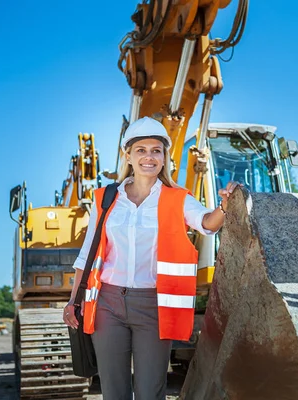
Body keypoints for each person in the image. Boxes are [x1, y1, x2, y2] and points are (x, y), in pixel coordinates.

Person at [62, 116, 240, 400]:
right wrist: (73, 301)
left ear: (164, 157)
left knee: (150, 391)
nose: (149, 156)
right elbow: (88, 254)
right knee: (114, 390)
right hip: (107, 303)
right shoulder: (104, 198)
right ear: (128, 155)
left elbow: (207, 223)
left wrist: (225, 207)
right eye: (141, 150)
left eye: (156, 150)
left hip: (153, 305)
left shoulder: (178, 198)